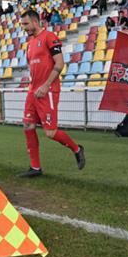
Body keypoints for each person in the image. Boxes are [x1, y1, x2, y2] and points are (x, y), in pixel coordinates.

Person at [19, 10, 85, 177]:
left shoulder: (49, 37)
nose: (24, 28)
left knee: (50, 133)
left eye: (26, 24)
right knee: (27, 126)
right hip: (33, 91)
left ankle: (77, 149)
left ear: (35, 21)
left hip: (47, 91)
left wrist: (46, 85)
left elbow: (60, 63)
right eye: (22, 25)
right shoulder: (30, 42)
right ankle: (35, 167)